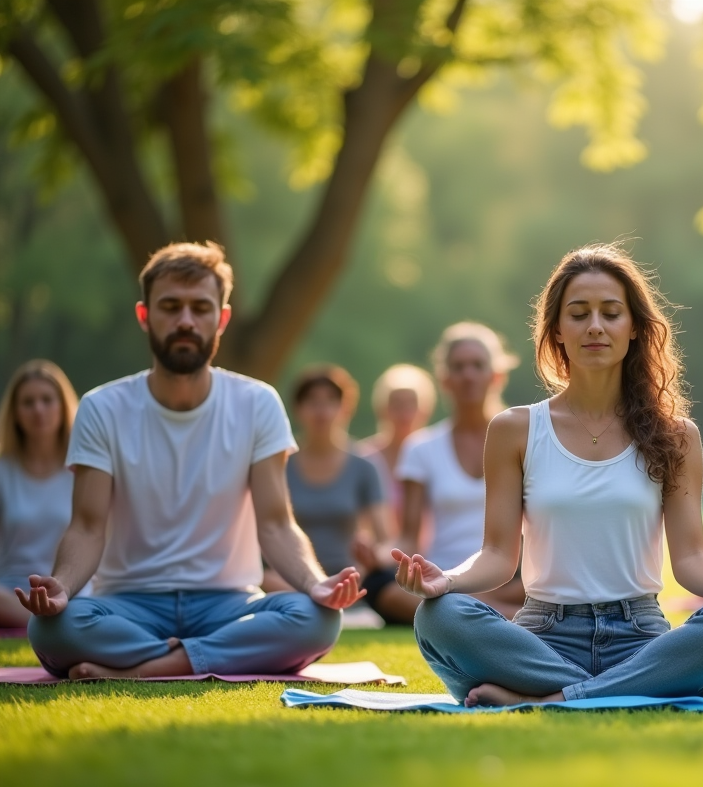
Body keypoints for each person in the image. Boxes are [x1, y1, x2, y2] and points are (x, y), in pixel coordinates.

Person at [391, 243, 703, 707]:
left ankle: (549, 699)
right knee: (438, 616)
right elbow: (498, 555)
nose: (595, 326)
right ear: (557, 331)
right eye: (579, 314)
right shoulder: (514, 429)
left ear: (634, 328)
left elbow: (690, 560)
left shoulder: (677, 435)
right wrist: (445, 581)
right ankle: (627, 690)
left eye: (611, 313)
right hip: (543, 640)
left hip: (640, 637)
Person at [17, 242, 362, 679]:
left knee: (318, 619)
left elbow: (276, 523)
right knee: (51, 628)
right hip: (129, 605)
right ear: (145, 316)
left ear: (222, 319)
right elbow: (87, 525)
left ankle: (150, 667)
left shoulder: (258, 403)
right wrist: (62, 588)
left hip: (229, 603)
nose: (185, 321)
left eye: (200, 308)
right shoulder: (102, 407)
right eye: (170, 307)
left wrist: (316, 584)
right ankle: (200, 657)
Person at [383, 322, 526, 625]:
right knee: (388, 593)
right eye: (458, 367)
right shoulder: (420, 448)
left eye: (477, 365)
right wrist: (383, 556)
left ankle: (459, 610)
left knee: (549, 580)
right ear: (444, 379)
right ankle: (506, 617)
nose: (468, 375)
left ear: (497, 375)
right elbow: (409, 536)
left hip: (510, 581)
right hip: (446, 576)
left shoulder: (523, 438)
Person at [263, 365, 405, 624]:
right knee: (258, 579)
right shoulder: (278, 465)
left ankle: (330, 603)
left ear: (345, 408)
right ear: (297, 409)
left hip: (351, 579)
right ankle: (318, 601)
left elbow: (387, 539)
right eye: (312, 402)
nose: (322, 411)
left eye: (330, 401)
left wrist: (371, 558)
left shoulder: (364, 467)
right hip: (291, 579)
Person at [0, 361, 79, 628]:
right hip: (11, 592)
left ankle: (51, 622)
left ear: (63, 406)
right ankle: (47, 624)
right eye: (28, 402)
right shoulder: (3, 470)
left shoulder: (83, 470)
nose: (38, 410)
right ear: (15, 412)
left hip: (68, 592)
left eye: (47, 400)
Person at [357, 364, 437, 532]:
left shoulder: (436, 453)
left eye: (411, 404)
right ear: (382, 409)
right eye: (397, 404)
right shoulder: (365, 457)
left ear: (424, 409)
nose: (404, 413)